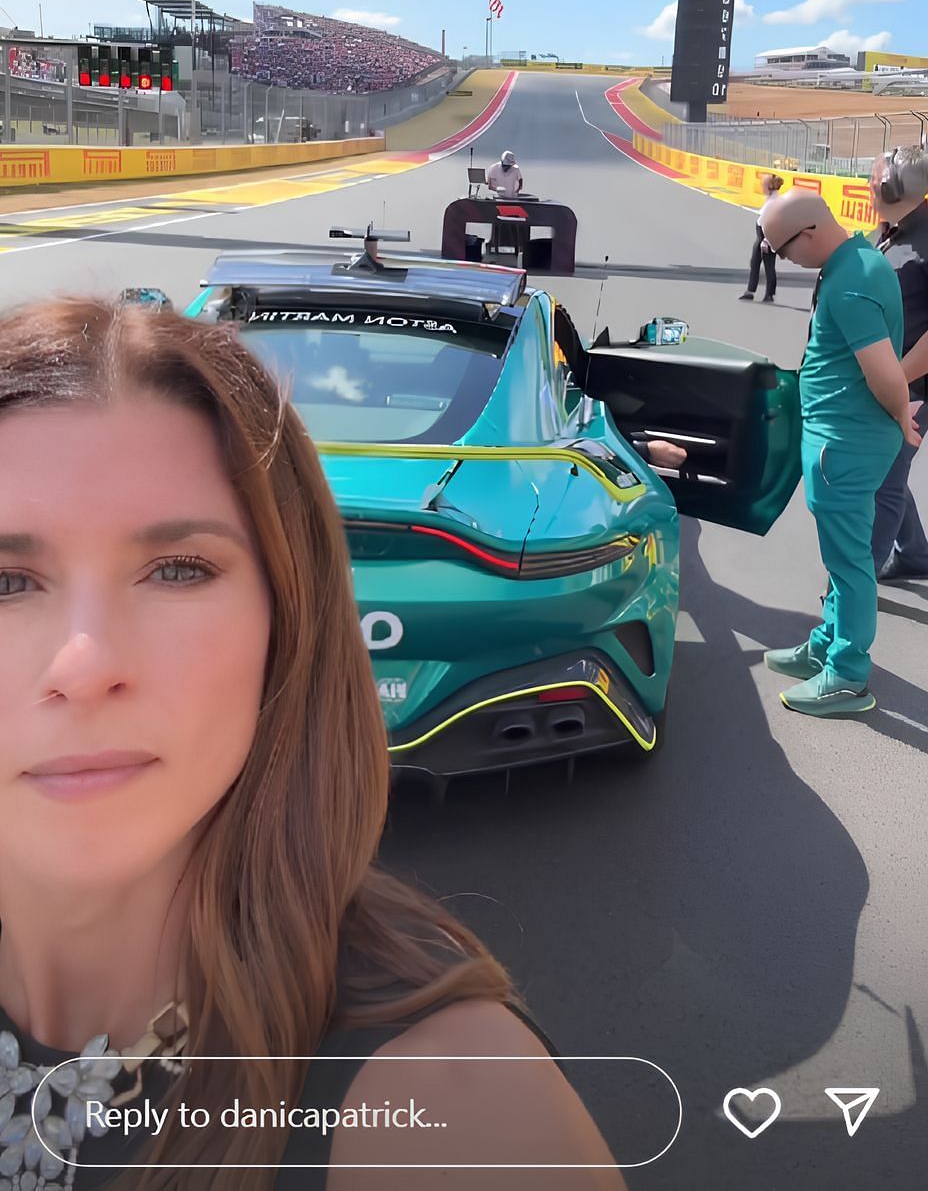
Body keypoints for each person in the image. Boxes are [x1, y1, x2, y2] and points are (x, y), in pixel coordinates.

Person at [0, 296, 625, 1191]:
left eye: (178, 570)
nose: (85, 663)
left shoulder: (455, 1113)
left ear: (287, 625)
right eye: (6, 581)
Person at [759, 190, 917, 718]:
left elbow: (884, 372)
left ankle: (848, 675)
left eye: (783, 252)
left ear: (807, 233)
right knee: (840, 558)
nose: (786, 263)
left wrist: (901, 415)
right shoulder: (860, 259)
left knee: (849, 565)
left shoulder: (850, 281)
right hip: (842, 439)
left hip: (844, 445)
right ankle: (827, 645)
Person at [868, 145, 928, 581]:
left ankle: (853, 583)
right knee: (887, 469)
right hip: (896, 380)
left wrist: (893, 381)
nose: (869, 185)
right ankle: (915, 554)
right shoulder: (895, 230)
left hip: (915, 386)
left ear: (894, 186)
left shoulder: (925, 245)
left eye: (874, 179)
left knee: (882, 480)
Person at [739, 172, 784, 302]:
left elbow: (771, 222)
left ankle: (769, 294)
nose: (761, 187)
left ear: (769, 186)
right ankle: (750, 291)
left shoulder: (774, 201)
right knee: (755, 263)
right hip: (762, 237)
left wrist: (766, 239)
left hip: (766, 237)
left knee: (769, 265)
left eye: (763, 185)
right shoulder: (771, 199)